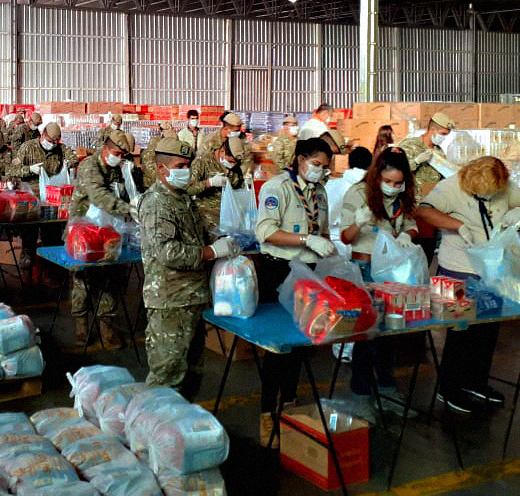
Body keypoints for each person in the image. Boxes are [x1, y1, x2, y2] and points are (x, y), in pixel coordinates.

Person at [417, 156, 520, 413]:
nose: (489, 198)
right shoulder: (451, 186)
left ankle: (476, 382)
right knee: (460, 328)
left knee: (488, 328)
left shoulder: (503, 185)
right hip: (457, 266)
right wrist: (457, 225)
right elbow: (423, 210)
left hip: (491, 268)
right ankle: (448, 388)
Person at [140, 137, 240, 397]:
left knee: (192, 373)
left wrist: (221, 241)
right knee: (167, 377)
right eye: (180, 165)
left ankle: (181, 432)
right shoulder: (156, 202)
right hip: (170, 301)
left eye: (188, 165)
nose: (186, 171)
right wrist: (210, 252)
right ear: (162, 169)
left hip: (193, 297)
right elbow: (166, 252)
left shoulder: (182, 198)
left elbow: (197, 234)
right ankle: (155, 432)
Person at [254, 137, 336, 446]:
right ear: (300, 159)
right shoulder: (278, 188)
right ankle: (266, 411)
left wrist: (326, 243)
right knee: (279, 346)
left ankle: (288, 403)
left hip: (309, 274)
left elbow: (322, 228)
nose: (320, 171)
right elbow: (266, 232)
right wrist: (306, 241)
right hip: (281, 271)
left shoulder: (320, 191)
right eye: (316, 164)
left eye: (325, 167)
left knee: (301, 343)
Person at [339, 148, 420, 402]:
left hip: (394, 270)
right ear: (376, 175)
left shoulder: (404, 195)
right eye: (387, 182)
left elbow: (410, 224)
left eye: (398, 182)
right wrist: (358, 223)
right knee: (368, 331)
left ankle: (386, 383)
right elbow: (345, 237)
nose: (393, 187)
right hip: (366, 269)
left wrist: (408, 234)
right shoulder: (358, 193)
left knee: (391, 330)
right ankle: (361, 387)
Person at [69, 130, 134, 347]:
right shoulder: (90, 166)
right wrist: (129, 209)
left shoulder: (118, 170)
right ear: (105, 148)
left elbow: (127, 192)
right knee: (82, 279)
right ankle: (81, 326)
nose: (120, 157)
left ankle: (107, 326)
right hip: (83, 229)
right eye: (117, 152)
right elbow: (99, 196)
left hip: (110, 230)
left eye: (123, 154)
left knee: (112, 277)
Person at [9, 122, 79, 266]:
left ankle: (51, 263)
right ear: (42, 135)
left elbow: (73, 158)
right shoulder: (28, 147)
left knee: (52, 233)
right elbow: (11, 170)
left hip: (51, 198)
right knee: (30, 232)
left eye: (55, 142)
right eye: (49, 141)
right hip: (32, 196)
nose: (52, 144)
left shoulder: (59, 149)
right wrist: (29, 170)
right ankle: (27, 256)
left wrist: (69, 163)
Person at [186, 136, 247, 232]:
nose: (232, 165)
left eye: (235, 163)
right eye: (230, 161)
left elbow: (240, 188)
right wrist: (209, 183)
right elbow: (188, 189)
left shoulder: (236, 167)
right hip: (206, 219)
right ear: (222, 151)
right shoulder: (203, 162)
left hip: (229, 218)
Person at [398, 112, 455, 195]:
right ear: (432, 129)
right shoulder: (410, 145)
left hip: (433, 199)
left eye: (446, 135)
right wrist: (416, 161)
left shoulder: (438, 151)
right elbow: (397, 170)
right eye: (443, 134)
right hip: (413, 200)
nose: (444, 137)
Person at [326, 146, 372, 240]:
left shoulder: (331, 185)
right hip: (364, 242)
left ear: (348, 163)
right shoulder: (374, 188)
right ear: (370, 165)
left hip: (332, 238)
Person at [140, 121, 178, 188]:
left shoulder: (175, 141)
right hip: (153, 184)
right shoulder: (154, 143)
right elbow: (148, 166)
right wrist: (162, 179)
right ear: (161, 132)